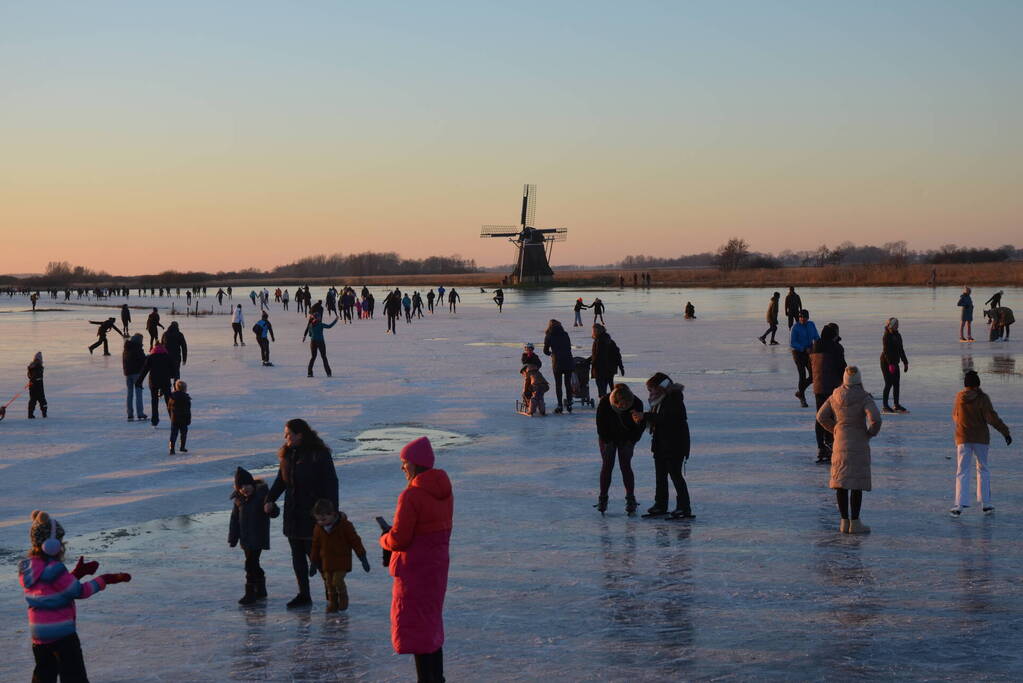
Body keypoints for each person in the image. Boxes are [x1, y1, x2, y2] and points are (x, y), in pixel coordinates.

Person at [19, 510, 131, 683]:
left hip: (39, 635)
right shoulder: (55, 568)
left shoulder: (28, 568)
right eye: (60, 542)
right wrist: (105, 579)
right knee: (74, 676)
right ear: (51, 545)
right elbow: (79, 591)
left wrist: (77, 573)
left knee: (44, 675)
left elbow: (53, 588)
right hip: (62, 636)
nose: (62, 546)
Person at [380, 437, 453, 683]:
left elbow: (399, 539)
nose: (403, 467)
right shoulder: (444, 491)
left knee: (417, 629)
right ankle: (437, 678)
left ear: (416, 463)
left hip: (414, 572)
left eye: (405, 462)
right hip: (436, 567)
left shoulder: (411, 495)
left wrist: (384, 538)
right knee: (430, 624)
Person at [264, 419, 339, 608]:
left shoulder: (318, 454)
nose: (285, 437)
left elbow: (331, 483)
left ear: (300, 434)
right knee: (297, 557)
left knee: (316, 557)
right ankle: (304, 594)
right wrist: (270, 499)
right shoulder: (287, 454)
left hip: (314, 514)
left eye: (288, 434)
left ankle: (332, 594)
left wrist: (332, 513)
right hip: (293, 513)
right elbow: (281, 480)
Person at [816, 366, 882, 534]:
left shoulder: (835, 395)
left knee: (842, 483)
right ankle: (855, 522)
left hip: (840, 443)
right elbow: (875, 419)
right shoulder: (864, 397)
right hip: (859, 442)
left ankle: (844, 522)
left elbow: (821, 416)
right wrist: (870, 433)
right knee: (856, 484)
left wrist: (835, 429)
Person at [950, 370, 1012, 517]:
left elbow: (955, 416)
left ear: (965, 384)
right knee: (983, 469)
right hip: (981, 439)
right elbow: (992, 418)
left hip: (963, 438)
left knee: (962, 470)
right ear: (978, 384)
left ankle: (959, 505)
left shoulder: (959, 397)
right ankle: (986, 504)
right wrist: (1005, 432)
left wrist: (963, 425)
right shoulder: (983, 398)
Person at [632, 373, 693, 518]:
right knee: (660, 476)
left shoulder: (674, 398)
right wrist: (641, 419)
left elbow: (667, 418)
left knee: (675, 475)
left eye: (651, 389)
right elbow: (658, 420)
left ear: (661, 387)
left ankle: (684, 507)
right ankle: (660, 504)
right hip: (660, 444)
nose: (650, 393)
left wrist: (645, 416)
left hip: (675, 445)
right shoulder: (659, 400)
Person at [310, 498, 370, 613]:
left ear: (332, 514)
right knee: (328, 583)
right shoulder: (318, 528)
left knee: (337, 580)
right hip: (327, 561)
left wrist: (363, 558)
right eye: (318, 520)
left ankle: (343, 598)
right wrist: (313, 563)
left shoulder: (345, 526)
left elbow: (355, 541)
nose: (321, 522)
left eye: (323, 519)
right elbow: (315, 546)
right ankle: (333, 603)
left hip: (342, 560)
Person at [595, 383, 644, 514]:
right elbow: (600, 425)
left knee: (625, 466)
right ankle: (603, 498)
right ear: (615, 401)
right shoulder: (605, 402)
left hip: (627, 438)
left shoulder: (637, 403)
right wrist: (607, 441)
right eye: (621, 405)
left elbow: (640, 426)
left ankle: (630, 498)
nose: (624, 407)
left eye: (627, 405)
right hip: (607, 437)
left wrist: (631, 440)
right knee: (607, 466)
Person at [230, 467, 274, 605]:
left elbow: (275, 511)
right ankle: (261, 589)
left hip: (258, 536)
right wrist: (233, 537)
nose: (244, 489)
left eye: (246, 485)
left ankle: (250, 593)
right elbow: (234, 520)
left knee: (250, 564)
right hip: (245, 539)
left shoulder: (262, 496)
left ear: (253, 484)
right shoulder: (238, 500)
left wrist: (271, 508)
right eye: (240, 487)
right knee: (254, 564)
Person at [810, 323, 846, 463]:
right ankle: (830, 443)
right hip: (832, 388)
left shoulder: (815, 346)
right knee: (832, 416)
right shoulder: (836, 348)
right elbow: (842, 368)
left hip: (818, 386)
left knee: (820, 416)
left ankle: (821, 447)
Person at [136, 342, 173, 426]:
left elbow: (145, 370)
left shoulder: (151, 357)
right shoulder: (167, 357)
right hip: (165, 381)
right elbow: (173, 369)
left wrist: (139, 381)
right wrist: (172, 376)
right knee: (169, 400)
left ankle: (154, 420)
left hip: (154, 382)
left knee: (154, 401)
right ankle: (173, 418)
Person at [542, 319, 574, 414]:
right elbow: (568, 346)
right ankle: (569, 403)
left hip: (557, 362)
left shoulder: (549, 335)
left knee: (558, 384)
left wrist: (551, 354)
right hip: (568, 360)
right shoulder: (565, 334)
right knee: (568, 383)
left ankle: (560, 405)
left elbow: (545, 351)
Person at [790, 309, 819, 408]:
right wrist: (803, 348)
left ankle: (800, 392)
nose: (802, 319)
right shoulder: (795, 327)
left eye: (804, 317)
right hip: (798, 353)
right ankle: (802, 398)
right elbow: (792, 343)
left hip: (809, 353)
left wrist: (818, 346)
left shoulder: (811, 325)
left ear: (808, 317)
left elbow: (816, 337)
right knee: (802, 375)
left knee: (813, 376)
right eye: (801, 317)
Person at [879, 318, 909, 413]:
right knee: (888, 383)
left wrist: (905, 362)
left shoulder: (898, 335)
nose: (897, 326)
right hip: (886, 362)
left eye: (897, 324)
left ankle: (896, 405)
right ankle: (885, 406)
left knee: (896, 383)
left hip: (895, 362)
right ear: (891, 325)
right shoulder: (886, 336)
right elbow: (886, 351)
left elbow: (901, 349)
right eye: (896, 324)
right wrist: (890, 364)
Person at [590, 324, 624, 399]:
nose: (593, 332)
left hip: (600, 369)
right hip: (610, 369)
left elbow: (597, 355)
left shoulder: (598, 341)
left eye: (593, 331)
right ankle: (613, 400)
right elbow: (617, 354)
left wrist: (591, 363)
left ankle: (604, 401)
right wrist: (621, 367)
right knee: (610, 386)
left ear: (596, 331)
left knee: (602, 389)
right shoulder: (609, 340)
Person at [122, 334, 147, 421]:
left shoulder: (126, 348)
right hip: (136, 373)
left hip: (128, 374)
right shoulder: (137, 348)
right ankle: (140, 413)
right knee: (138, 393)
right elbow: (143, 360)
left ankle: (130, 414)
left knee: (130, 394)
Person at [167, 380, 191, 454]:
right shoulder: (186, 398)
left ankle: (171, 448)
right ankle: (182, 447)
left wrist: (171, 416)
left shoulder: (172, 397)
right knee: (183, 433)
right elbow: (188, 410)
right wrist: (188, 419)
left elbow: (169, 408)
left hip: (174, 419)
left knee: (173, 434)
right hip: (183, 419)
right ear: (185, 389)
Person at [26, 352, 47, 419]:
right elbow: (37, 376)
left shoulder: (31, 366)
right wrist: (35, 380)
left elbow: (29, 376)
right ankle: (44, 414)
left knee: (33, 400)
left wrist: (32, 380)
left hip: (32, 386)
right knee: (42, 401)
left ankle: (30, 414)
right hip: (38, 386)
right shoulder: (38, 366)